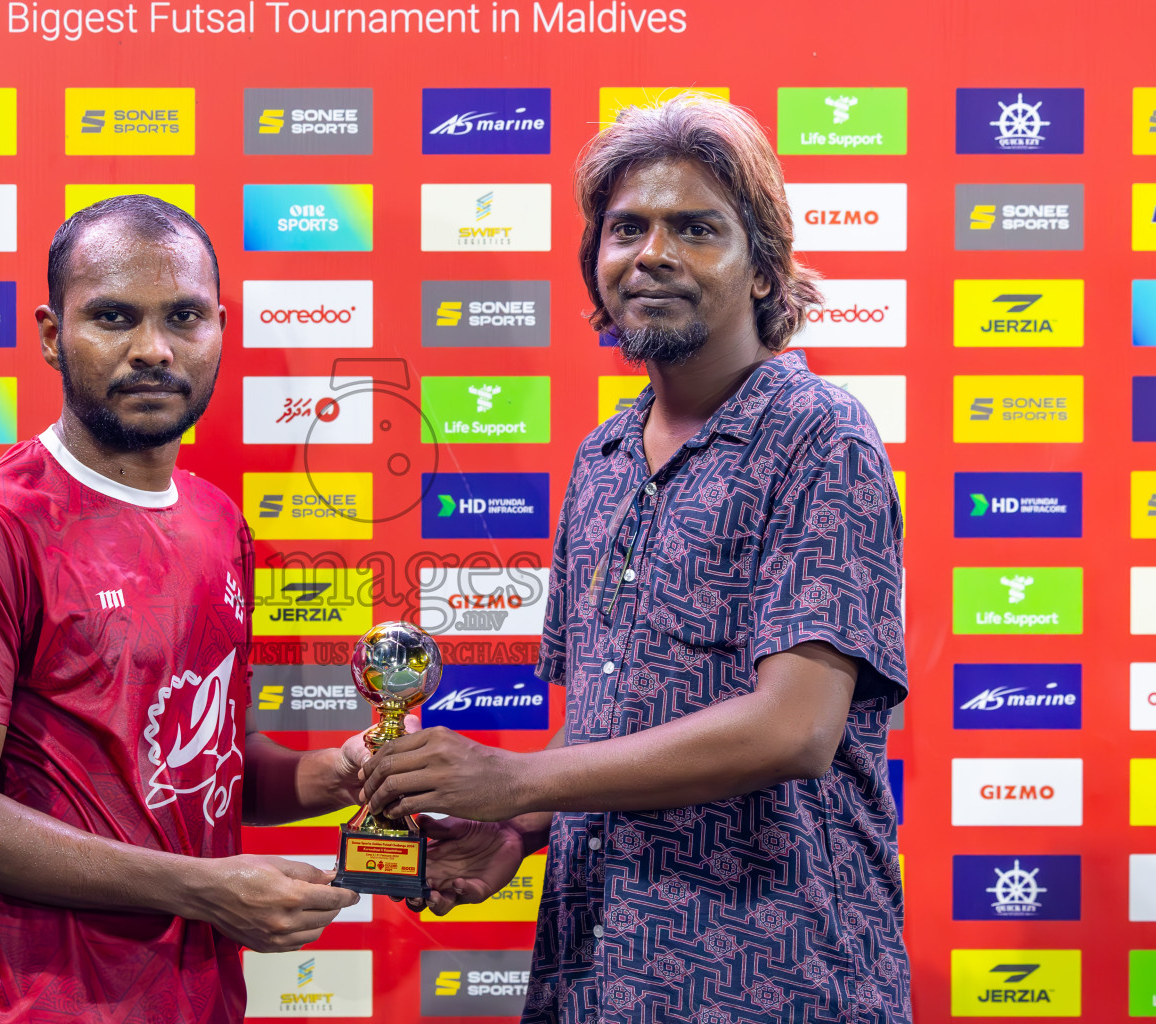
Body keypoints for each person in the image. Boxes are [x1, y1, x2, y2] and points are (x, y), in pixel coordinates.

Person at [361, 94, 911, 1022]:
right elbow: (606, 723)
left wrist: (518, 780)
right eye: (627, 229)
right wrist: (518, 831)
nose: (652, 253)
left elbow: (796, 730)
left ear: (765, 272)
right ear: (596, 263)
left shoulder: (822, 436)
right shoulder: (601, 459)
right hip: (595, 968)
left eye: (696, 228)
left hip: (780, 976)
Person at [0, 194, 364, 1024]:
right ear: (50, 334)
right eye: (114, 317)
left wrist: (338, 773)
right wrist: (205, 890)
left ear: (220, 327)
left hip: (198, 1000)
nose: (152, 349)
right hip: (31, 1004)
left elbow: (198, 768)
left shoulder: (220, 522)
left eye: (182, 317)